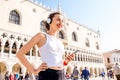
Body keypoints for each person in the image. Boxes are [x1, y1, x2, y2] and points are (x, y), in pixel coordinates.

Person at [16, 12, 75, 80]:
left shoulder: (60, 42)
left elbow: (57, 61)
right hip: (48, 74)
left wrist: (66, 61)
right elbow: (19, 54)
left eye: (62, 21)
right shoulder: (41, 36)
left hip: (61, 74)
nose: (61, 23)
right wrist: (34, 71)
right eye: (58, 20)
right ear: (49, 21)